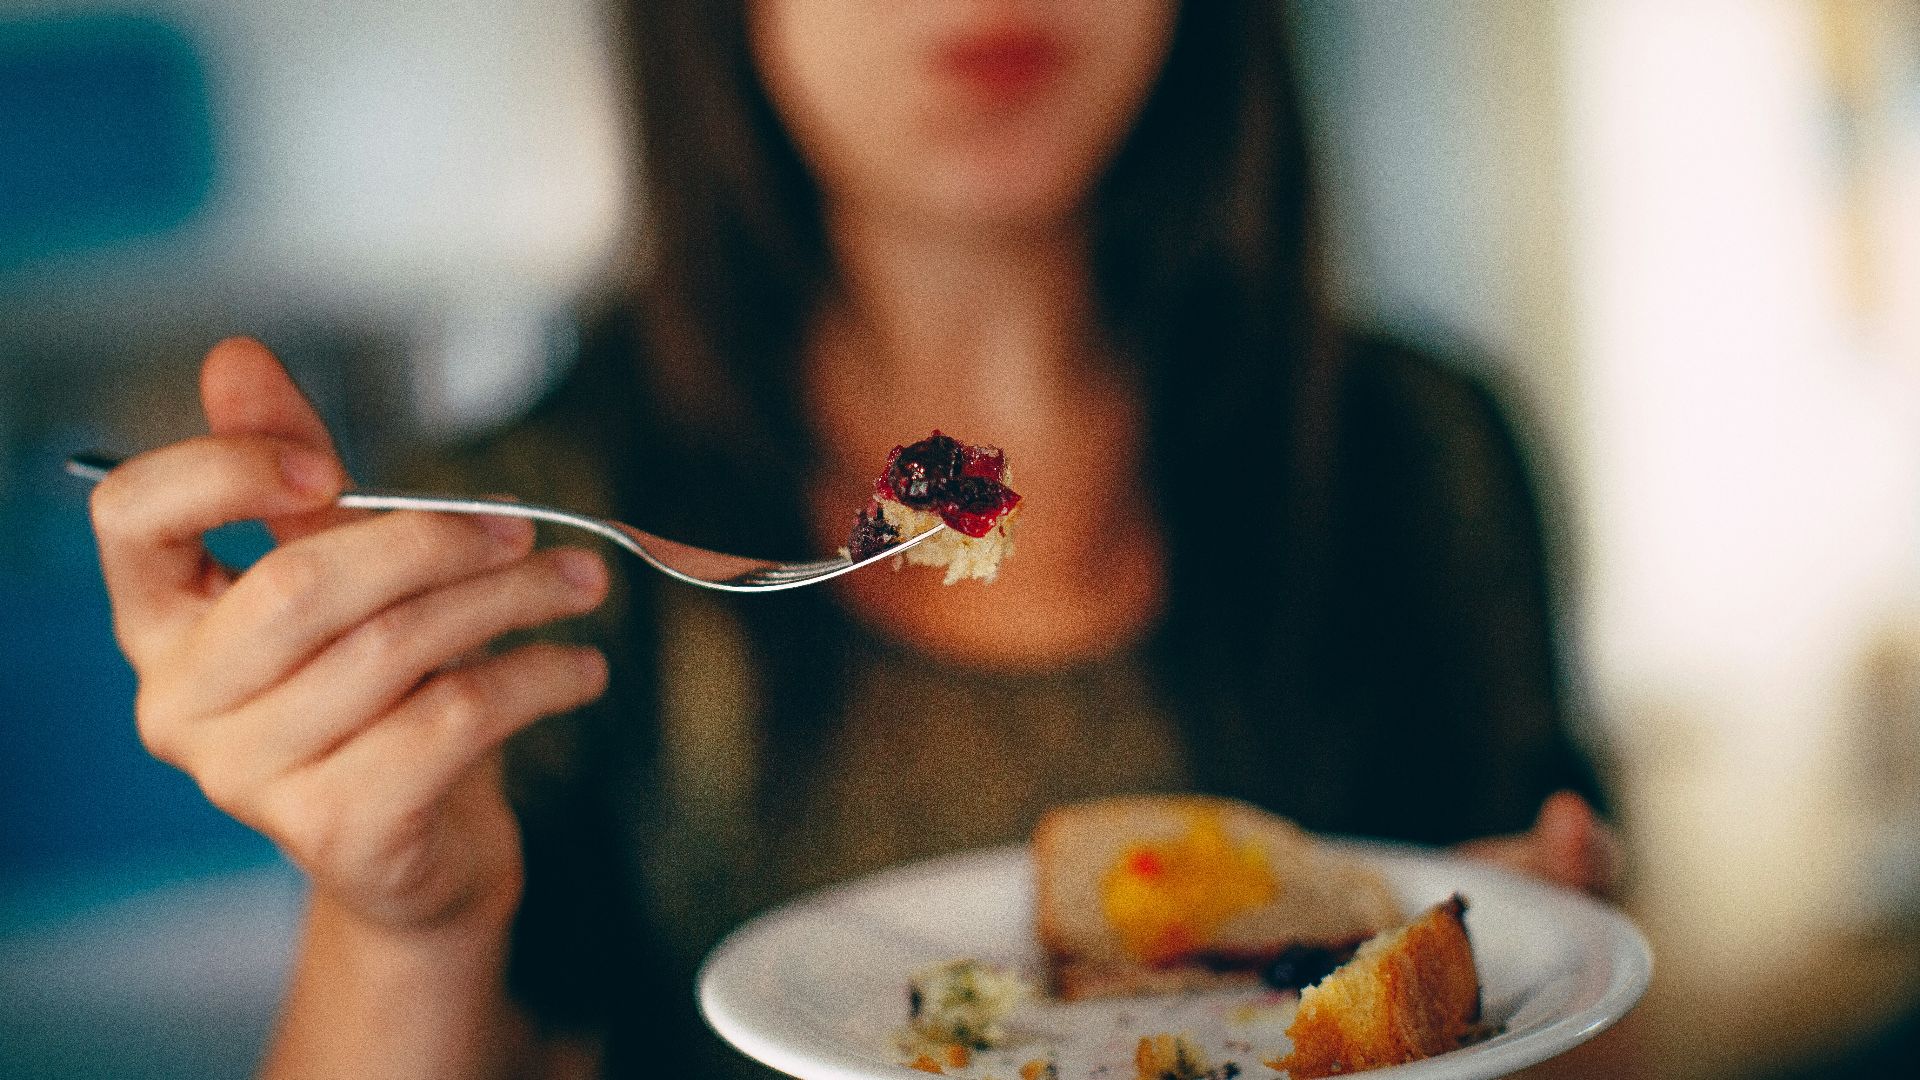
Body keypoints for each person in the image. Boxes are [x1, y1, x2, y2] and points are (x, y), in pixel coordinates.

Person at [84, 1, 1620, 1076]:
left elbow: (1580, 1025)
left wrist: (1502, 997)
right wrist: (405, 921)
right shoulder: (518, 540)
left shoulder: (1426, 450)